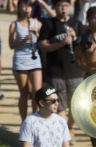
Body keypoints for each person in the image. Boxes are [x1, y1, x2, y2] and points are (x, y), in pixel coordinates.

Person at [38, 0, 83, 132]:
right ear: (55, 7)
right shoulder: (48, 24)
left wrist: (75, 38)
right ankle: (66, 132)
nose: (63, 9)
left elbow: (83, 45)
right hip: (56, 71)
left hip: (75, 71)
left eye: (66, 6)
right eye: (60, 6)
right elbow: (43, 46)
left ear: (70, 7)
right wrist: (60, 44)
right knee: (60, 105)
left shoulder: (76, 24)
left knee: (76, 105)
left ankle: (69, 126)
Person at [8, 0, 42, 121]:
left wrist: (36, 34)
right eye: (23, 6)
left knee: (36, 93)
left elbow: (42, 42)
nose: (26, 9)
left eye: (29, 7)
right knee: (24, 93)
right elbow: (11, 45)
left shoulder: (37, 23)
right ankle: (24, 121)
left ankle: (35, 119)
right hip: (20, 61)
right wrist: (23, 40)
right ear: (19, 8)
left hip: (35, 60)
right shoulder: (14, 24)